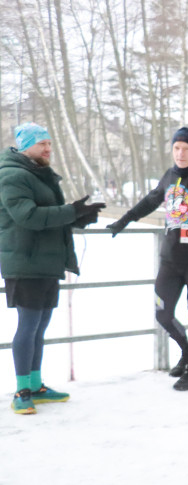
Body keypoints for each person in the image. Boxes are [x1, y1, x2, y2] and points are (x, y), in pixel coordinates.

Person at [107, 127, 188, 391]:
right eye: (176, 148)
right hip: (170, 260)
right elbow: (151, 200)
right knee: (162, 314)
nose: (180, 153)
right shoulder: (170, 176)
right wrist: (124, 220)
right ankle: (186, 352)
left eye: (186, 148)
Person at [1, 123, 104, 415]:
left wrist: (79, 217)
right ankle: (22, 391)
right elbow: (28, 216)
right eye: (41, 144)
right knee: (28, 325)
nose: (48, 148)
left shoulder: (38, 174)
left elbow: (49, 216)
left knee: (40, 325)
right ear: (25, 146)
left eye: (49, 143)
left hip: (45, 261)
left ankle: (35, 385)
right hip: (25, 262)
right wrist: (71, 211)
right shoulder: (11, 176)